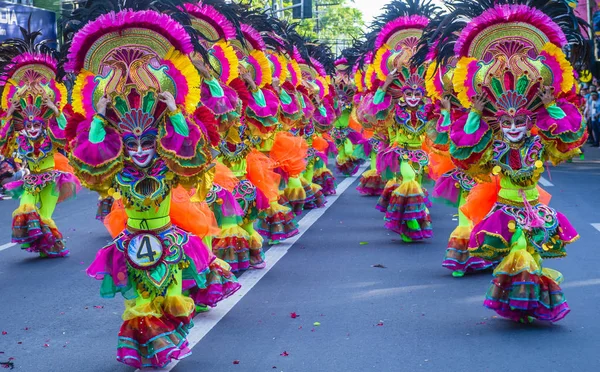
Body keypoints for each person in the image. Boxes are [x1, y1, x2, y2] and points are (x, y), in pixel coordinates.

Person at [63, 4, 240, 367]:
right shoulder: (118, 166)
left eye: (147, 142)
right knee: (138, 305)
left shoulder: (169, 158)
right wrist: (98, 114)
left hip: (171, 241)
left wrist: (174, 109)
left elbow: (191, 148)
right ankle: (147, 347)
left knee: (173, 297)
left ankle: (164, 340)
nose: (139, 150)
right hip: (130, 243)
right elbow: (91, 153)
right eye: (131, 143)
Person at [431, 0, 586, 323]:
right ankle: (520, 301)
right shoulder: (496, 145)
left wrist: (551, 106)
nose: (513, 129)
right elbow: (463, 145)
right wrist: (474, 111)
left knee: (533, 257)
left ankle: (533, 304)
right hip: (506, 208)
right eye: (506, 124)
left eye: (519, 123)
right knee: (519, 253)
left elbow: (569, 136)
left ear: (528, 121)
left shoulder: (536, 141)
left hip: (536, 209)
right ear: (498, 124)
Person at [0, 28, 81, 258]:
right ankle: (42, 243)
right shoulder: (21, 135)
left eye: (37, 125)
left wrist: (55, 110)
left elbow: (65, 137)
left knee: (44, 215)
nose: (33, 129)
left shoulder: (49, 133)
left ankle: (48, 247)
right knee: (25, 208)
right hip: (29, 180)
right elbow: (4, 141)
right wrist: (9, 115)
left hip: (50, 178)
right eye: (29, 125)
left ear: (42, 123)